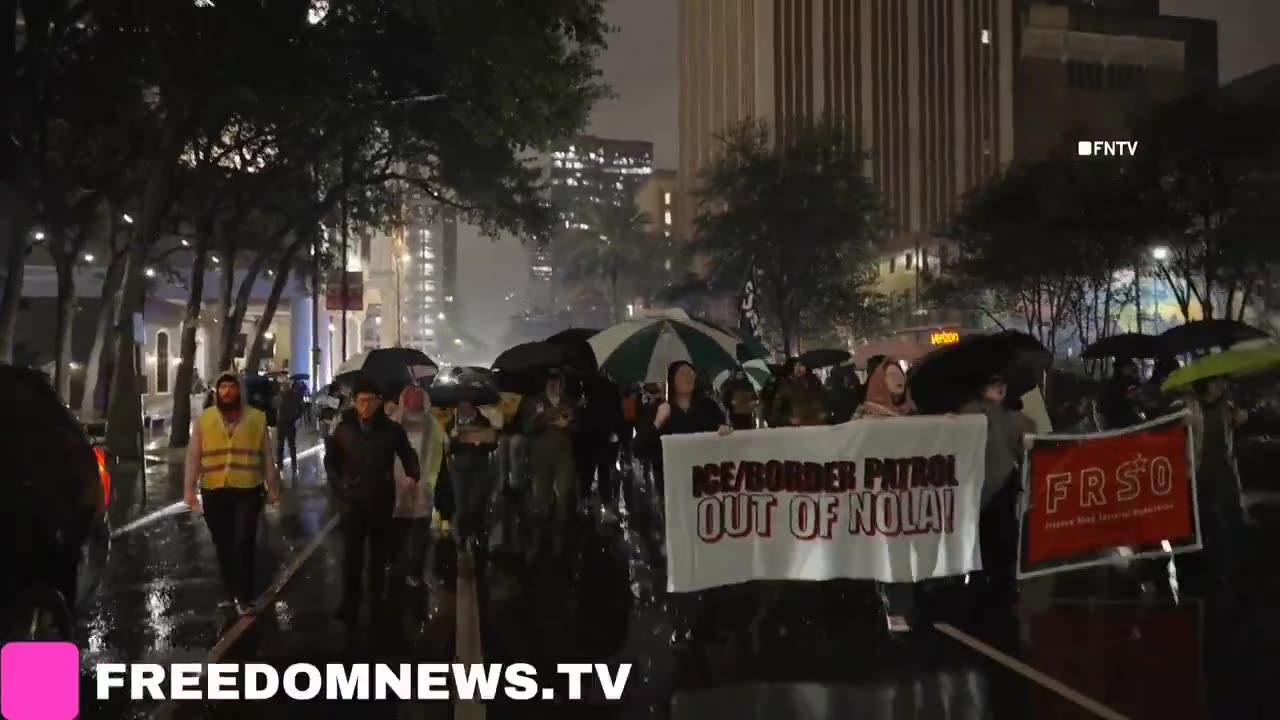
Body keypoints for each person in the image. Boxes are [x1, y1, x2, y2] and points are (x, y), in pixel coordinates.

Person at [183, 373, 282, 615]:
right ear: (217, 392)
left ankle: (245, 595)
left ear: (240, 391)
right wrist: (188, 489)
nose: (227, 392)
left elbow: (266, 457)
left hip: (248, 489)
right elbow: (193, 457)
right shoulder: (205, 420)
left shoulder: (257, 419)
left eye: (231, 387)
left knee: (244, 540)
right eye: (222, 387)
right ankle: (230, 591)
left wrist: (273, 488)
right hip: (214, 490)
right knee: (223, 544)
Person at [324, 378, 421, 623]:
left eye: (370, 400)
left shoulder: (392, 430)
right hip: (352, 501)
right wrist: (339, 486)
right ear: (354, 402)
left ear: (379, 402)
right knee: (351, 555)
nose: (365, 406)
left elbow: (408, 455)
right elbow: (331, 462)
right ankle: (350, 600)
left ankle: (376, 595)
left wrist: (412, 474)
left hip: (381, 498)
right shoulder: (343, 429)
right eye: (361, 401)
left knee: (378, 553)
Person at [851, 359, 917, 632]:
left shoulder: (915, 415)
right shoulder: (865, 416)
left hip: (911, 493)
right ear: (879, 382)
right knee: (887, 549)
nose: (896, 378)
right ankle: (893, 607)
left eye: (898, 373)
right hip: (878, 495)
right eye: (889, 375)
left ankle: (900, 604)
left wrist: (951, 428)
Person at [960, 375, 1026, 615]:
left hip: (1005, 485)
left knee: (1005, 539)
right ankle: (978, 586)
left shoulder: (1008, 414)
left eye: (1003, 383)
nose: (1000, 388)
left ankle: (1004, 586)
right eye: (993, 383)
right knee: (982, 538)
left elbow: (1017, 447)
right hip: (978, 487)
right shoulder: (969, 411)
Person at [1182, 377, 1250, 589]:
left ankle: (1234, 568)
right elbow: (1171, 422)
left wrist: (1240, 418)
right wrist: (1182, 422)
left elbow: (1237, 428)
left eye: (1222, 383)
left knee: (1232, 518)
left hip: (1224, 470)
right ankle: (1209, 569)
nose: (1221, 386)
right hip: (1200, 472)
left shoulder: (1226, 407)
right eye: (1216, 382)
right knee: (1206, 521)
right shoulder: (1188, 405)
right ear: (1205, 384)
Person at [390, 385, 446, 587]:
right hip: (398, 489)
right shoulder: (394, 424)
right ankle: (401, 567)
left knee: (419, 533)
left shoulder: (432, 425)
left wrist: (428, 481)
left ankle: (415, 570)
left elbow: (438, 452)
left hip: (423, 488)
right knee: (401, 532)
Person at [523, 370, 577, 557]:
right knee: (542, 497)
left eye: (557, 382)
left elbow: (579, 427)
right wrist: (543, 417)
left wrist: (567, 426)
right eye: (550, 382)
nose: (553, 385)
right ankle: (541, 537)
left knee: (564, 494)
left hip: (564, 455)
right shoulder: (534, 402)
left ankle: (559, 541)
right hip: (540, 456)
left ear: (561, 384)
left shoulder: (569, 402)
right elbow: (527, 428)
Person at [448, 399, 498, 554]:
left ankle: (476, 535)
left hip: (480, 468)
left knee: (477, 503)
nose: (465, 409)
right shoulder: (453, 423)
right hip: (460, 469)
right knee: (461, 506)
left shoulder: (483, 421)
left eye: (468, 406)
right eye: (462, 406)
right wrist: (453, 438)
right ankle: (462, 538)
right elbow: (450, 449)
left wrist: (481, 443)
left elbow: (492, 443)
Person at [771, 358, 828, 427]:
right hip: (798, 427)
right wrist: (788, 419)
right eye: (796, 365)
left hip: (818, 424)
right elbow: (777, 410)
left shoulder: (814, 381)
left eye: (801, 365)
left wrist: (824, 412)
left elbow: (824, 398)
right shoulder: (786, 385)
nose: (799, 368)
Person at [1097, 358, 1144, 430]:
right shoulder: (1124, 382)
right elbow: (1102, 407)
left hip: (1119, 421)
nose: (1133, 367)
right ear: (1122, 368)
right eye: (1130, 366)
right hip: (1122, 422)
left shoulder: (1109, 383)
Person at [275, 380, 302, 472]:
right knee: (285, 445)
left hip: (286, 423)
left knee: (285, 445)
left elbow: (301, 408)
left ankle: (283, 465)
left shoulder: (289, 396)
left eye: (285, 385)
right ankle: (283, 465)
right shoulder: (283, 395)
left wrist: (295, 417)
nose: (284, 387)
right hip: (285, 423)